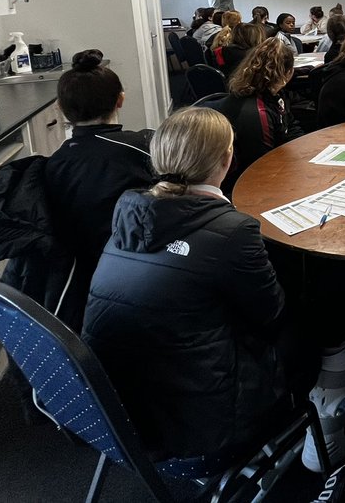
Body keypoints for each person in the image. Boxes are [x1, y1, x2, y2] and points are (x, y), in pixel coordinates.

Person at [82, 107, 289, 459]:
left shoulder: (127, 216)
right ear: (227, 158)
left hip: (116, 413)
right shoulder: (233, 231)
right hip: (203, 418)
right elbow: (272, 316)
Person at [40, 50, 156, 328]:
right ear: (121, 100)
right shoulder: (143, 147)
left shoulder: (52, 165)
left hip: (80, 284)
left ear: (60, 107)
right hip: (143, 270)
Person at [218, 39, 301, 185]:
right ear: (289, 73)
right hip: (252, 181)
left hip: (273, 164)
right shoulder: (257, 111)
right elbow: (262, 164)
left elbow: (290, 125)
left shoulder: (273, 95)